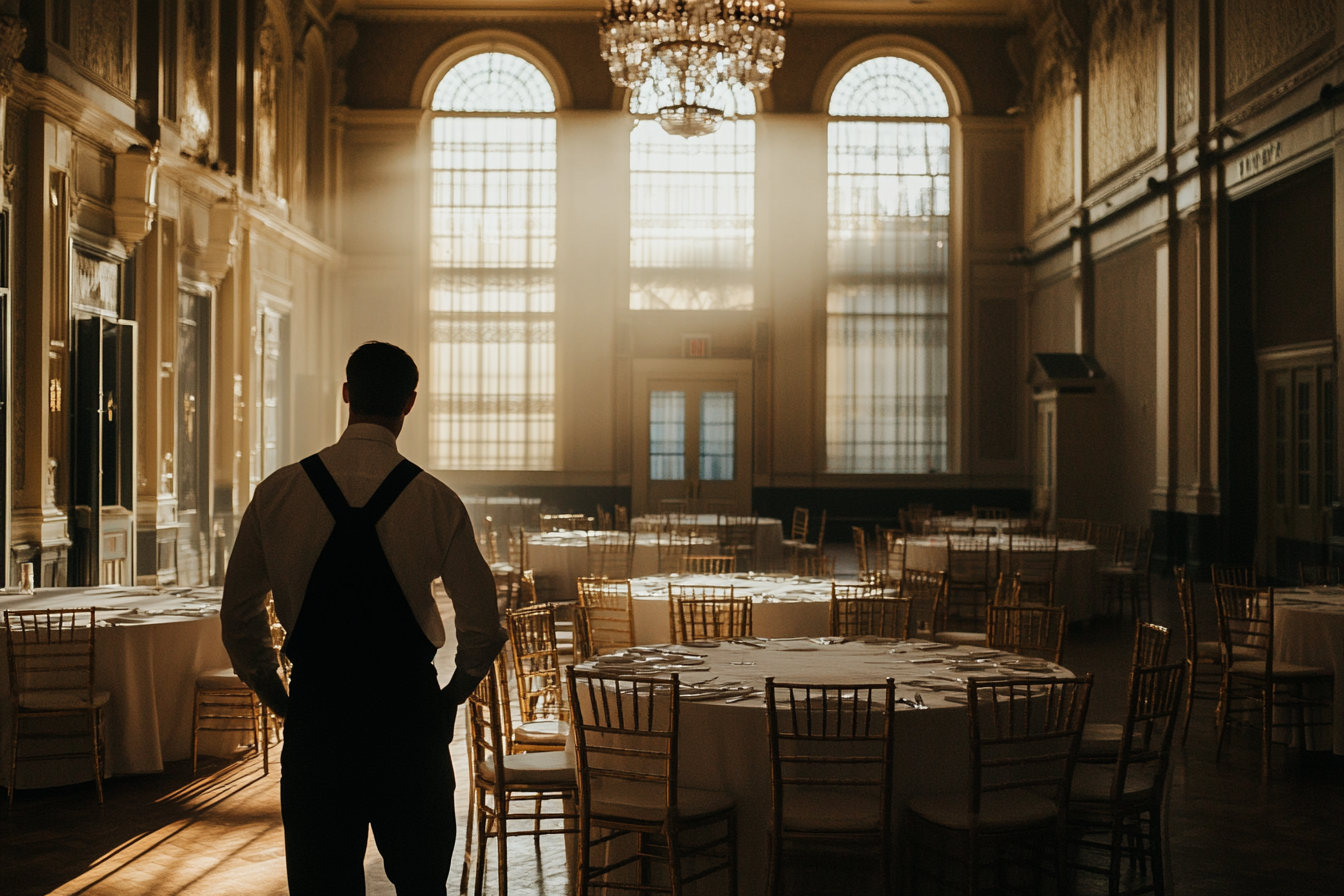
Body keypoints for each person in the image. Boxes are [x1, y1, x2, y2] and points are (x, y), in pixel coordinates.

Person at [221, 341, 506, 896]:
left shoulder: (278, 492)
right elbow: (483, 624)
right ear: (410, 403)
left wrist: (278, 696)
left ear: (346, 394)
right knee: (422, 883)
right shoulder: (435, 499)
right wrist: (452, 693)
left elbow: (239, 618)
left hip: (320, 717)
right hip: (407, 718)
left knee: (322, 884)